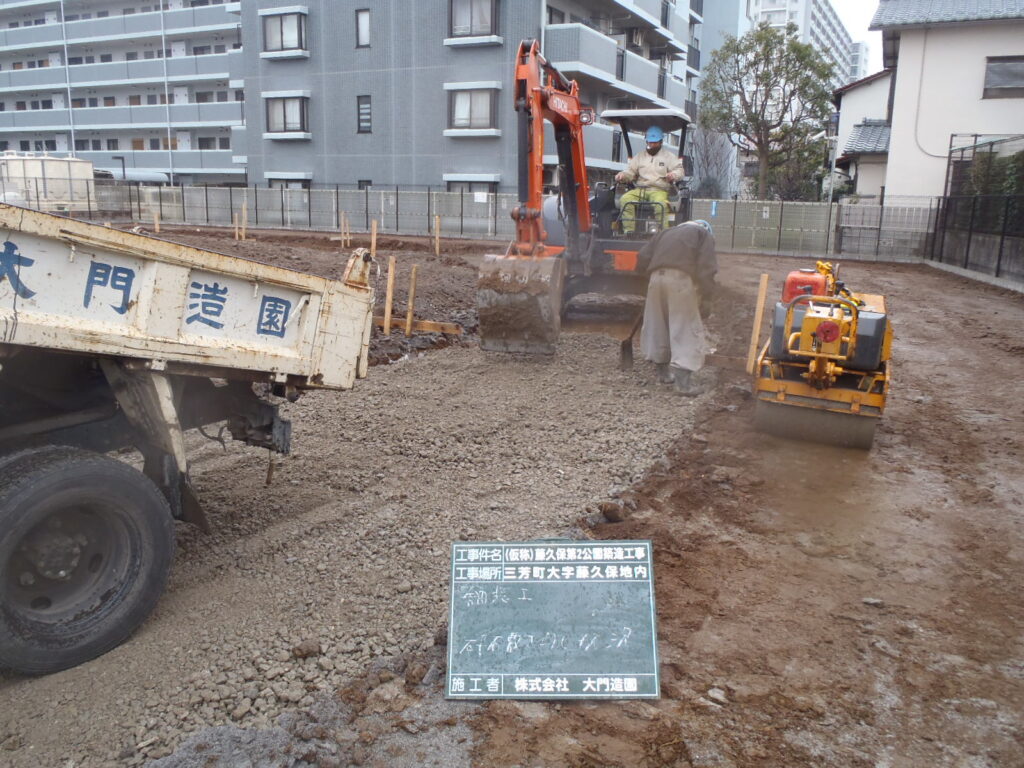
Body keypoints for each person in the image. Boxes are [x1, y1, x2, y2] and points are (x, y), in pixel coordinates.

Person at [638, 219, 717, 396]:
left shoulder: (665, 232)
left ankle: (663, 374)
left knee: (658, 326)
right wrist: (706, 298)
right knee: (684, 328)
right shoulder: (703, 235)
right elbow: (707, 268)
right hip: (680, 280)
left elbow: (642, 257)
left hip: (655, 278)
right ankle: (683, 385)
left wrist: (650, 282)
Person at [614, 126, 684, 234]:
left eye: (655, 142)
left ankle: (663, 233)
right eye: (650, 142)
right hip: (640, 189)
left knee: (660, 204)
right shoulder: (640, 156)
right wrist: (622, 175)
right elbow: (631, 172)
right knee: (625, 199)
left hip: (659, 190)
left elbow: (679, 170)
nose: (651, 145)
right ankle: (629, 232)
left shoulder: (668, 157)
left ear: (661, 142)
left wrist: (673, 175)